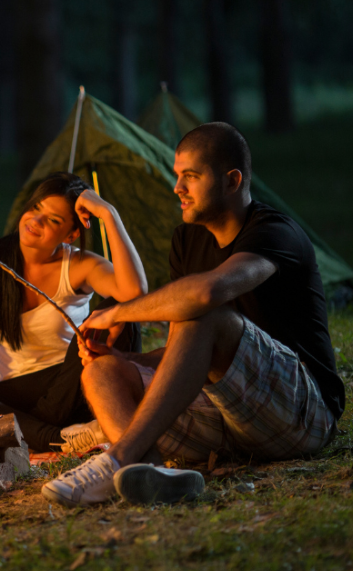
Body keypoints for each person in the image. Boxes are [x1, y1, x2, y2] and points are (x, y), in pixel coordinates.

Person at [42, 123, 345, 507]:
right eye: (177, 176)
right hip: (224, 417)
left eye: (191, 176)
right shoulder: (186, 242)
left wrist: (119, 312)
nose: (177, 188)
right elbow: (186, 353)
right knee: (100, 371)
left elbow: (208, 293)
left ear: (231, 181)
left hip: (300, 415)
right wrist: (125, 359)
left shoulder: (275, 232)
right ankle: (150, 473)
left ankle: (117, 459)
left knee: (202, 310)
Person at [0, 172, 148, 452]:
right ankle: (59, 438)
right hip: (18, 395)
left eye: (53, 220)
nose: (36, 221)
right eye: (35, 208)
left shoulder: (79, 265)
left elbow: (136, 293)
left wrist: (108, 213)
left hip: (75, 384)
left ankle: (27, 434)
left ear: (72, 233)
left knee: (120, 311)